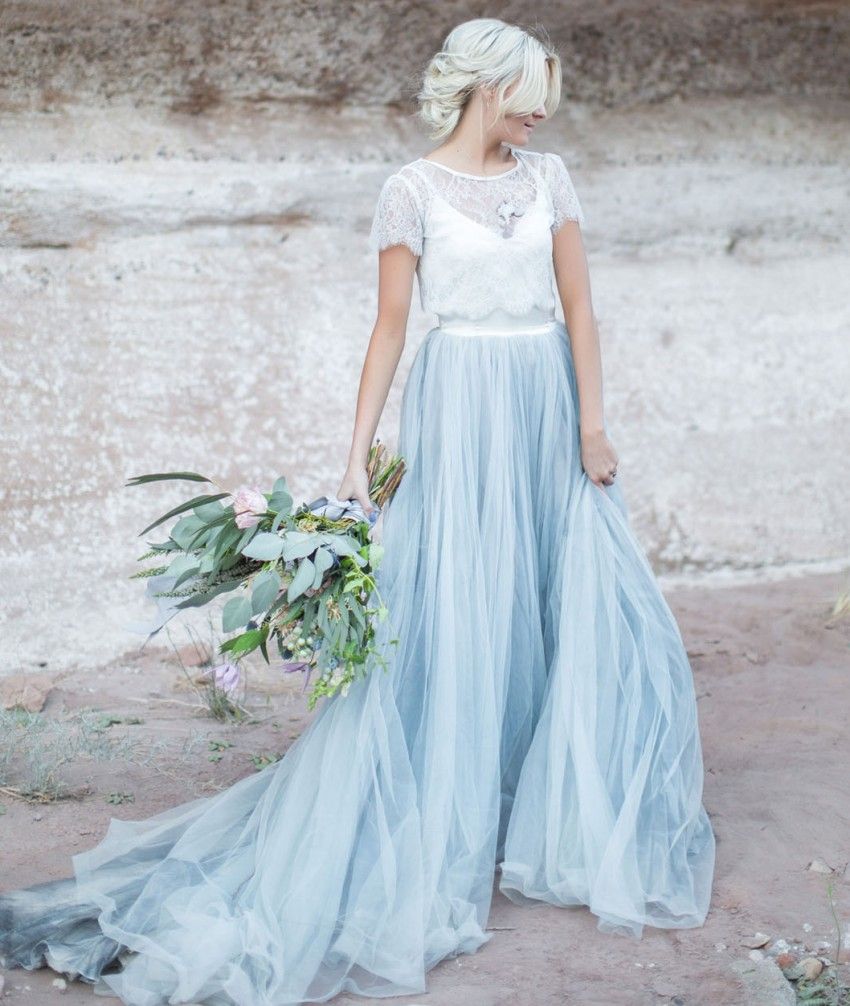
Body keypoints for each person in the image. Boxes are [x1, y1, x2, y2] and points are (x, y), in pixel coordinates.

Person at [0, 17, 716, 1006]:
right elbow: (389, 328)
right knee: (458, 606)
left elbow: (581, 308)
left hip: (544, 402)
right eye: (529, 85)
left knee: (569, 599)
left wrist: (594, 423)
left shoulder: (550, 178)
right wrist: (355, 455)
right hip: (455, 405)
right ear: (483, 84)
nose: (542, 103)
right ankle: (460, 800)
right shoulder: (410, 190)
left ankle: (542, 809)